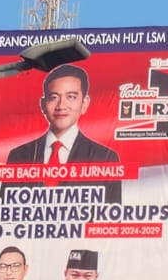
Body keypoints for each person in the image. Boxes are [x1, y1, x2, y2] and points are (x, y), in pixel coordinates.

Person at [7, 63, 122, 202]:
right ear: (43, 105)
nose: (61, 106)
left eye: (71, 97)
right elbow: (5, 214)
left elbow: (110, 219)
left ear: (84, 104)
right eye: (54, 97)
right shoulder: (19, 156)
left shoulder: (105, 158)